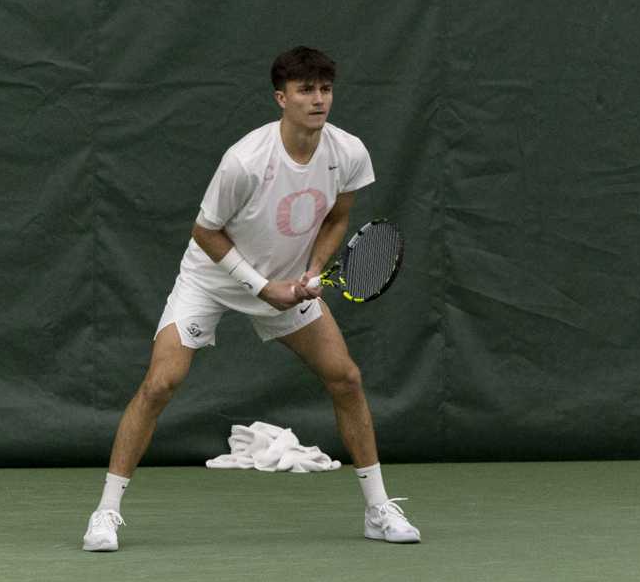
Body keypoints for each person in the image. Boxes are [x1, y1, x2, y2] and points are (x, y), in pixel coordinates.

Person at [82, 46, 420, 551]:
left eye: (325, 89)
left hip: (289, 280)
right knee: (160, 384)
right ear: (280, 98)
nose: (318, 99)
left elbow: (336, 220)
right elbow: (206, 231)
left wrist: (311, 269)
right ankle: (105, 513)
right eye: (306, 90)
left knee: (346, 378)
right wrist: (262, 287)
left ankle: (378, 509)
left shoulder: (348, 152)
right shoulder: (245, 161)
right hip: (213, 279)